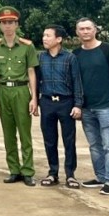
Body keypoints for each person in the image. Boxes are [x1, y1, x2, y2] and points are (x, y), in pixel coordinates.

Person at [73, 17, 109, 196]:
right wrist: (77, 105)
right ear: (77, 32)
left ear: (95, 30)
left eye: (88, 28)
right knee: (94, 145)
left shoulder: (107, 50)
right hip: (86, 107)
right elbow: (74, 81)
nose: (85, 32)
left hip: (106, 106)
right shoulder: (76, 54)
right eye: (82, 29)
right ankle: (100, 176)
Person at [0, 6, 39, 186]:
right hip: (3, 91)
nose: (7, 26)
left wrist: (34, 98)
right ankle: (14, 170)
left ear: (17, 24)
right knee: (8, 133)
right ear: (0, 26)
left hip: (21, 91)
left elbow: (31, 72)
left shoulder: (27, 46)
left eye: (11, 22)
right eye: (4, 23)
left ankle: (27, 171)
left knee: (25, 133)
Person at [37, 25, 84, 189]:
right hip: (47, 102)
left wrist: (78, 105)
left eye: (48, 36)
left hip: (66, 102)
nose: (44, 38)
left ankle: (70, 174)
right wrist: (35, 101)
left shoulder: (70, 58)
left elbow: (77, 82)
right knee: (49, 140)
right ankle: (53, 173)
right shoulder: (40, 57)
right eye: (44, 35)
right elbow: (36, 81)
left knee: (69, 140)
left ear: (59, 39)